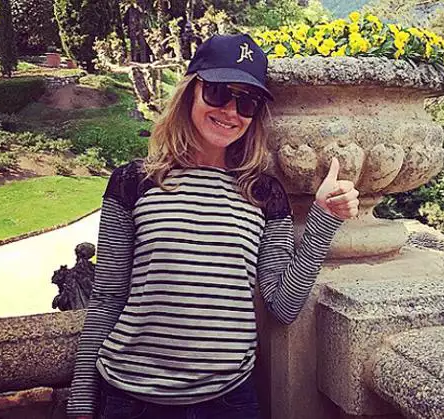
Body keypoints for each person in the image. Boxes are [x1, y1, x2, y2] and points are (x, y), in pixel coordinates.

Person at [66, 33, 359, 419]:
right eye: (218, 92)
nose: (231, 112)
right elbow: (107, 297)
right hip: (131, 399)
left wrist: (325, 217)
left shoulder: (263, 193)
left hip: (229, 401)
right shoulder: (133, 182)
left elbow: (283, 305)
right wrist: (80, 401)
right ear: (191, 91)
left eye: (247, 102)